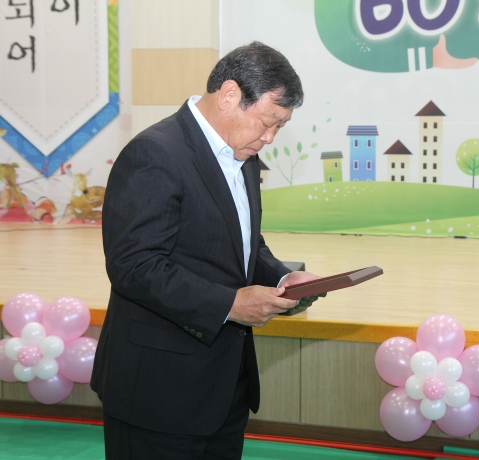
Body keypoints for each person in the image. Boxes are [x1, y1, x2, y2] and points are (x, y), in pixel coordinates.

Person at [91, 41, 323, 459]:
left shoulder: (242, 156)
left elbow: (243, 244)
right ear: (230, 95)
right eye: (267, 122)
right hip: (158, 392)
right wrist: (230, 304)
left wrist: (284, 277)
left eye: (280, 127)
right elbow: (134, 265)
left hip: (224, 388)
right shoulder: (156, 152)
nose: (269, 138)